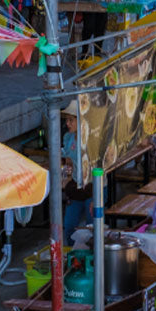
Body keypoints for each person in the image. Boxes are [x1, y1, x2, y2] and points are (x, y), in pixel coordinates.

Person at [59, 103, 90, 244]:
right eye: (66, 120)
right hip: (75, 187)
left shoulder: (90, 139)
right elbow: (68, 163)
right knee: (69, 226)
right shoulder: (68, 138)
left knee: (92, 227)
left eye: (71, 120)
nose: (67, 123)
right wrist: (65, 180)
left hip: (92, 187)